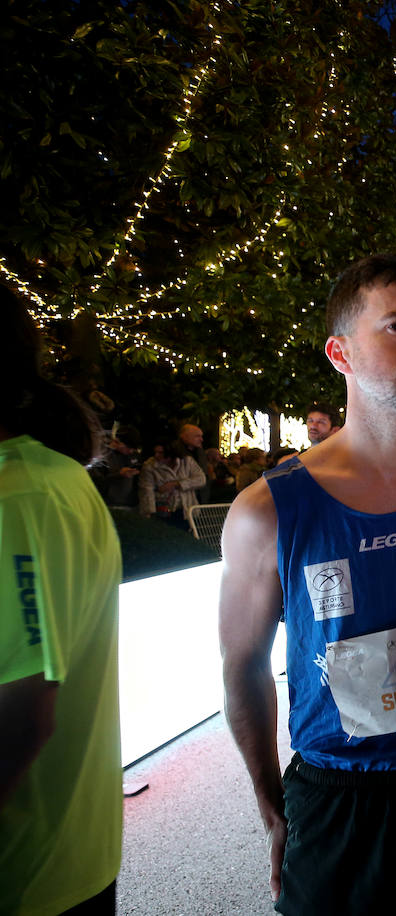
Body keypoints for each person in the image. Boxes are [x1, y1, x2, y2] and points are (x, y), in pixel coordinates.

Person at [218, 253, 396, 914]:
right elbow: (243, 671)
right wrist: (274, 808)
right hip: (340, 800)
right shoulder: (266, 512)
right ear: (340, 352)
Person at [0, 290, 123, 915]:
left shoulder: (18, 497)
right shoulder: (46, 476)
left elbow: (22, 719)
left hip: (30, 874)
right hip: (69, 855)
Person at [139, 438, 206, 530]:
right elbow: (146, 489)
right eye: (155, 452)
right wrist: (149, 512)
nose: (157, 455)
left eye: (161, 452)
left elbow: (201, 479)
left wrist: (177, 484)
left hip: (186, 509)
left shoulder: (187, 462)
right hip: (163, 510)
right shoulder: (150, 466)